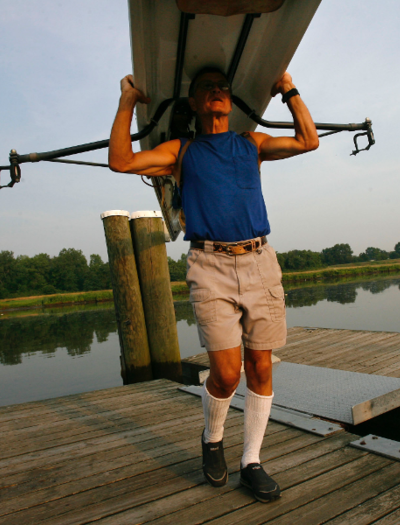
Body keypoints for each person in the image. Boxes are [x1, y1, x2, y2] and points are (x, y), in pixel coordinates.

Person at [108, 67, 318, 502]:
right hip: (210, 266)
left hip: (260, 262)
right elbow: (121, 161)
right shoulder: (182, 151)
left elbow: (307, 140)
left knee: (261, 368)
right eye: (208, 87)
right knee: (226, 374)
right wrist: (128, 100)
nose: (218, 92)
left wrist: (288, 89)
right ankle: (212, 436)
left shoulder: (251, 143)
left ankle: (252, 461)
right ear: (194, 102)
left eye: (223, 86)